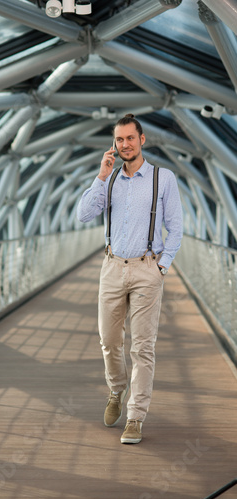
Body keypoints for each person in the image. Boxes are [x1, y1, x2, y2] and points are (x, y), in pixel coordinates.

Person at [77, 114, 183, 444]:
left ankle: (135, 416)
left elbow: (176, 227)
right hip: (111, 266)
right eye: (119, 140)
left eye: (130, 138)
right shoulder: (108, 180)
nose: (125, 144)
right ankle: (115, 390)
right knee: (109, 341)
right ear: (114, 144)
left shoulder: (162, 179)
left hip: (146, 269)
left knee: (143, 347)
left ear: (142, 140)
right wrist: (101, 175)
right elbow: (82, 215)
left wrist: (161, 267)